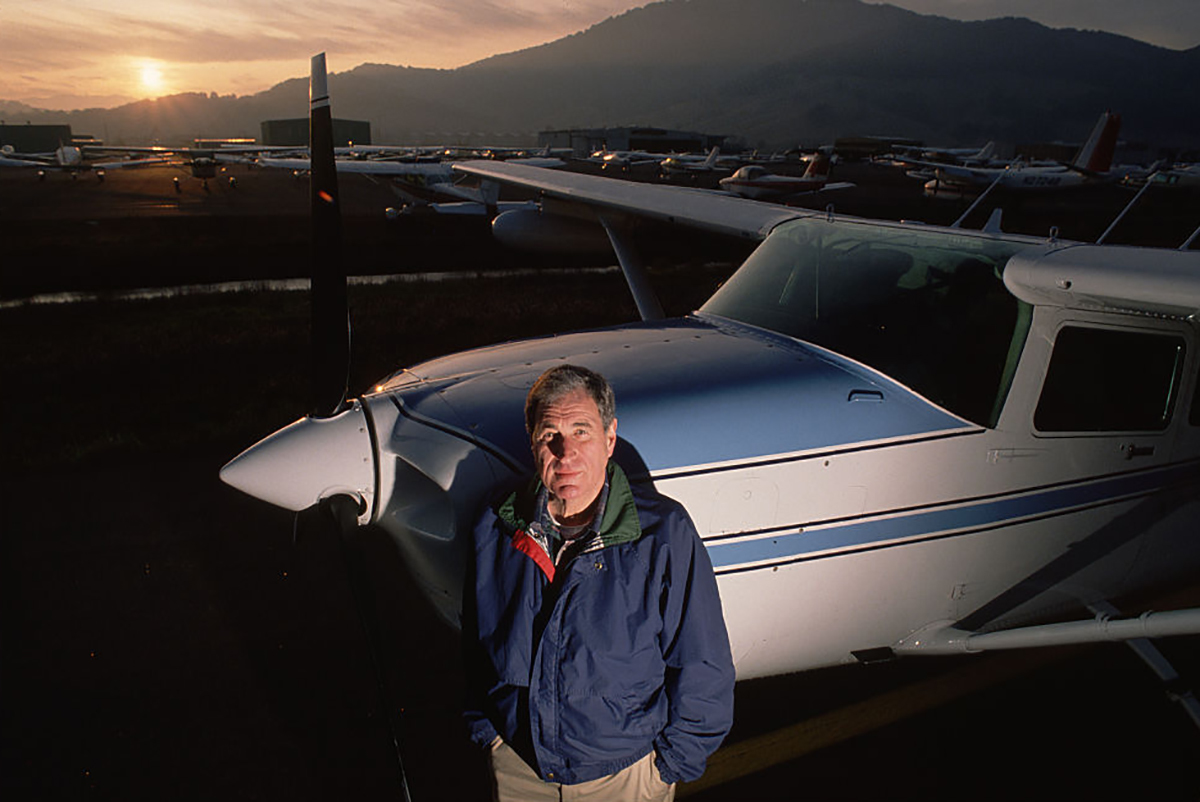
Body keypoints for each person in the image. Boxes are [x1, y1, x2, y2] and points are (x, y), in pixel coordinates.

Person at [462, 364, 735, 802]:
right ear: (533, 442)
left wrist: (667, 769)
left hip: (624, 779)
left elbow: (704, 664)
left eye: (582, 431)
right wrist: (490, 734)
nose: (565, 451)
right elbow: (475, 643)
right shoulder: (495, 526)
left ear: (610, 439)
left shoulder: (663, 534)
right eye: (550, 434)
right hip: (519, 771)